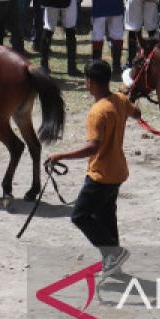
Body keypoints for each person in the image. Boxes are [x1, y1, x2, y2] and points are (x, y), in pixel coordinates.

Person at [46, 60, 140, 277]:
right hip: (118, 171)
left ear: (90, 82)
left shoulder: (98, 111)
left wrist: (60, 155)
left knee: (80, 216)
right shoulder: (119, 100)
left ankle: (114, 253)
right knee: (107, 216)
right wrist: (125, 98)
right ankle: (114, 264)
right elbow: (137, 114)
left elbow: (93, 146)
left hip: (101, 174)